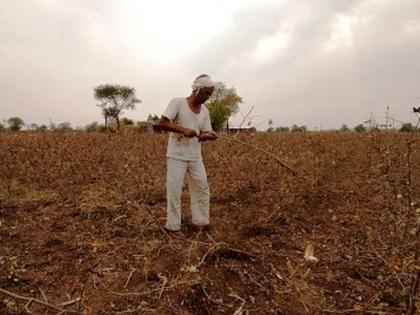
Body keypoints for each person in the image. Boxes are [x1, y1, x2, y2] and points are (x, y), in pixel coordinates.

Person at [158, 74, 218, 231]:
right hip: (176, 155)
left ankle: (201, 222)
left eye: (210, 94)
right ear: (196, 89)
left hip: (195, 157)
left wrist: (208, 136)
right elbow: (162, 122)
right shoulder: (178, 102)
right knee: (174, 192)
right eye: (206, 92)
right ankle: (173, 226)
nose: (208, 97)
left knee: (201, 188)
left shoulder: (205, 111)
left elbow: (206, 132)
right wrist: (183, 130)